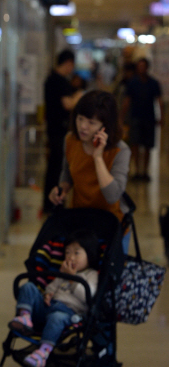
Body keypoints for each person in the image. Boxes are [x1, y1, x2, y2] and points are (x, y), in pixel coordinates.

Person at [48, 90, 131, 253]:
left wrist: (98, 157)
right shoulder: (71, 140)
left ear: (105, 126)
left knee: (107, 277)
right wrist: (61, 190)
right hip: (81, 221)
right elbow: (67, 172)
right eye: (80, 119)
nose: (83, 127)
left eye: (91, 122)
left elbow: (112, 195)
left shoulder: (120, 151)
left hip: (112, 224)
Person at [8, 229, 99, 367]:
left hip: (68, 313)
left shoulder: (91, 275)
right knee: (29, 287)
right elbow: (52, 286)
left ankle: (43, 352)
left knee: (56, 317)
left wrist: (72, 280)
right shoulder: (63, 272)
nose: (71, 257)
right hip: (47, 309)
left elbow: (89, 296)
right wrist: (48, 294)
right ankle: (24, 317)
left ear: (90, 255)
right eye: (67, 252)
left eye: (76, 253)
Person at [43, 49, 83, 213]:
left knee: (55, 167)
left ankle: (52, 203)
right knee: (58, 169)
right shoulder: (59, 81)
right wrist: (79, 97)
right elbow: (68, 104)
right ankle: (55, 203)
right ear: (68, 63)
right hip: (59, 131)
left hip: (54, 129)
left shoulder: (51, 79)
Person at [120, 57, 164, 182]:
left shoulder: (154, 83)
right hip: (135, 118)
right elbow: (126, 102)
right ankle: (137, 170)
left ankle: (144, 171)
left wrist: (161, 117)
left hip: (149, 118)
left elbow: (159, 101)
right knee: (135, 145)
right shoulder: (132, 83)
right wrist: (122, 118)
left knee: (148, 147)